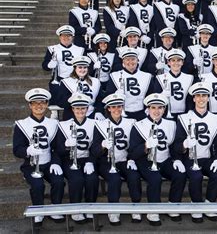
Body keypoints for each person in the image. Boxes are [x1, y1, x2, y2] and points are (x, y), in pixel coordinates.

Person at [129, 93, 187, 225]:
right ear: (148, 109)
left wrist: (177, 159)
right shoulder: (139, 125)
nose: (156, 111)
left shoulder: (171, 124)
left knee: (180, 174)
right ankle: (153, 211)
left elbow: (173, 146)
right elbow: (133, 152)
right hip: (146, 161)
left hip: (165, 159)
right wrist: (146, 145)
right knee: (154, 179)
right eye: (153, 107)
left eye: (160, 107)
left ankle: (173, 205)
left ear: (164, 109)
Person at [172, 82, 217, 223]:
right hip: (189, 158)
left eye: (204, 95)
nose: (201, 99)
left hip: (207, 157)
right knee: (196, 177)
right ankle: (196, 205)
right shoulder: (183, 118)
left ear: (208, 98)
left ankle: (208, 204)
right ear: (194, 98)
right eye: (198, 96)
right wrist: (184, 144)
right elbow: (176, 145)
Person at [13, 88, 64, 227]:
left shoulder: (53, 124)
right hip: (31, 164)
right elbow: (16, 150)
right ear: (30, 105)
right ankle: (38, 210)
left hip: (48, 163)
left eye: (42, 103)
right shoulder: (22, 124)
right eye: (35, 103)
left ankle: (55, 208)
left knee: (59, 181)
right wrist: (28, 150)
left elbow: (58, 148)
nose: (39, 106)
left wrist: (55, 162)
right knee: (37, 185)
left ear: (47, 104)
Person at [91, 93, 142, 225]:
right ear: (108, 108)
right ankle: (113, 209)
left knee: (134, 176)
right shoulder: (100, 125)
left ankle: (136, 206)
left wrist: (132, 158)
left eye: (119, 106)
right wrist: (102, 146)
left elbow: (135, 144)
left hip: (125, 159)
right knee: (114, 179)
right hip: (106, 162)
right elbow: (94, 151)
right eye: (113, 107)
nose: (117, 109)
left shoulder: (131, 122)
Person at [54, 93, 99, 224]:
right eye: (77, 108)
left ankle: (91, 206)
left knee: (92, 178)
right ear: (72, 109)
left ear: (87, 109)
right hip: (70, 159)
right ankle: (75, 208)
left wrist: (90, 161)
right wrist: (66, 146)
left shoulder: (95, 124)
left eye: (83, 108)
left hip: (87, 159)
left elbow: (96, 146)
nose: (80, 111)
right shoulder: (63, 125)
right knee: (76, 179)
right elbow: (58, 149)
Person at [106, 48, 158, 120]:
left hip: (142, 113)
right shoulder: (115, 75)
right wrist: (116, 95)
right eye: (127, 59)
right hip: (122, 115)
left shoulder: (147, 76)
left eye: (133, 59)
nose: (130, 62)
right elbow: (109, 95)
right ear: (123, 62)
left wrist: (148, 108)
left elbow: (151, 94)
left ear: (137, 60)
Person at [42, 25, 85, 105]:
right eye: (63, 35)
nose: (66, 37)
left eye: (69, 35)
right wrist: (49, 65)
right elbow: (44, 66)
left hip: (75, 80)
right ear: (59, 37)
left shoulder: (80, 50)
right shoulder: (52, 49)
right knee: (57, 102)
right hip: (59, 81)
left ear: (73, 37)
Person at [57, 56, 101, 121]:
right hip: (72, 115)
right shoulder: (66, 82)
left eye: (85, 67)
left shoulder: (95, 81)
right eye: (80, 67)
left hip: (91, 115)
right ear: (75, 68)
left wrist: (98, 111)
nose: (82, 70)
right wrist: (71, 97)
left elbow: (99, 100)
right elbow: (60, 102)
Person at [156, 49, 194, 119]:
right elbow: (155, 96)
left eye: (179, 60)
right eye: (173, 60)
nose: (176, 63)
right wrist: (161, 95)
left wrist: (190, 110)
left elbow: (190, 98)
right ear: (168, 63)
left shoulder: (190, 78)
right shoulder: (159, 78)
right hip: (165, 116)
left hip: (184, 114)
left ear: (182, 62)